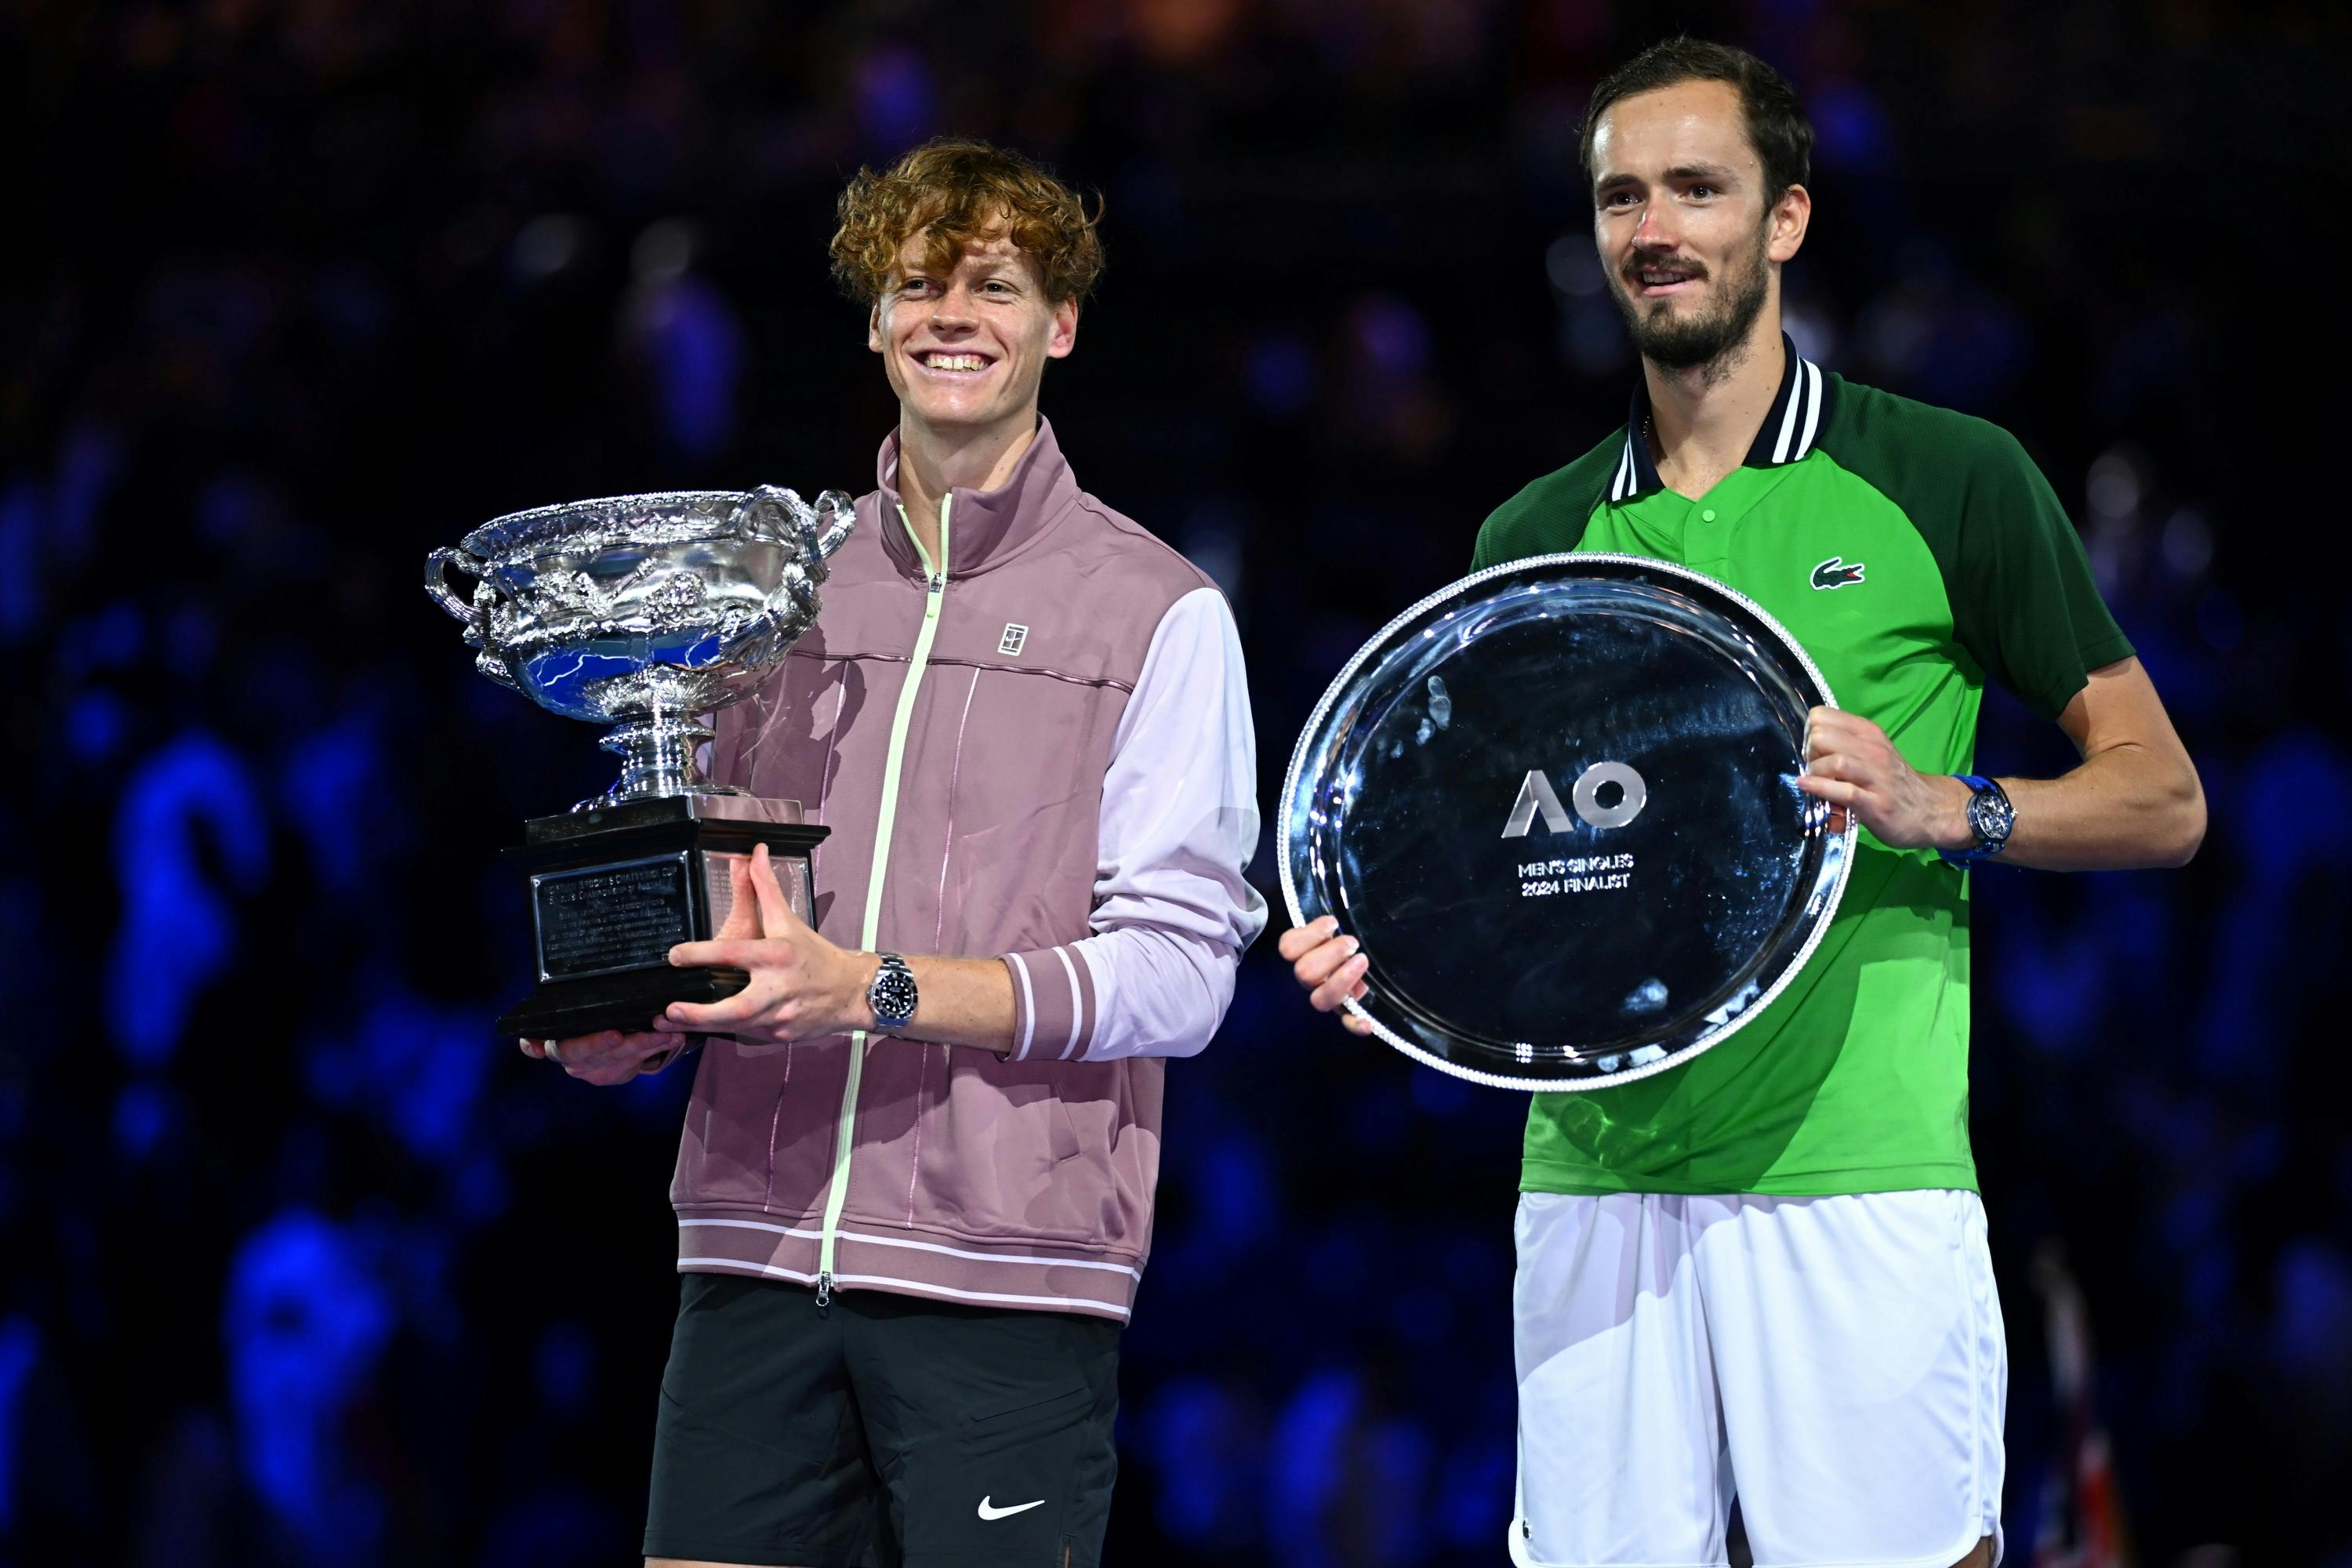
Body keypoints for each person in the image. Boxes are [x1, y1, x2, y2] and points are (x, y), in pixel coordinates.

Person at [1279, 38, 2204, 1568]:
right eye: (1623, 194)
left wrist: (1944, 806)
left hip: (1852, 1170)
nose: (1656, 226)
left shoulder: (1947, 476)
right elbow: (1499, 854)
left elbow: (2163, 798)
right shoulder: (1533, 531)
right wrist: (1385, 960)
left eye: (1697, 187)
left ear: (1785, 218)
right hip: (1592, 1181)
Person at [525, 139, 1266, 1568]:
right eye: (918, 281)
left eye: (995, 283)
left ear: (1061, 324)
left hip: (1011, 1285)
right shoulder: (768, 593)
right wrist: (637, 1017)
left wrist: (871, 988)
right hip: (749, 1249)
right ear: (872, 318)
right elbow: (739, 915)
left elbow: (1181, 978)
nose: (952, 314)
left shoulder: (1159, 611)